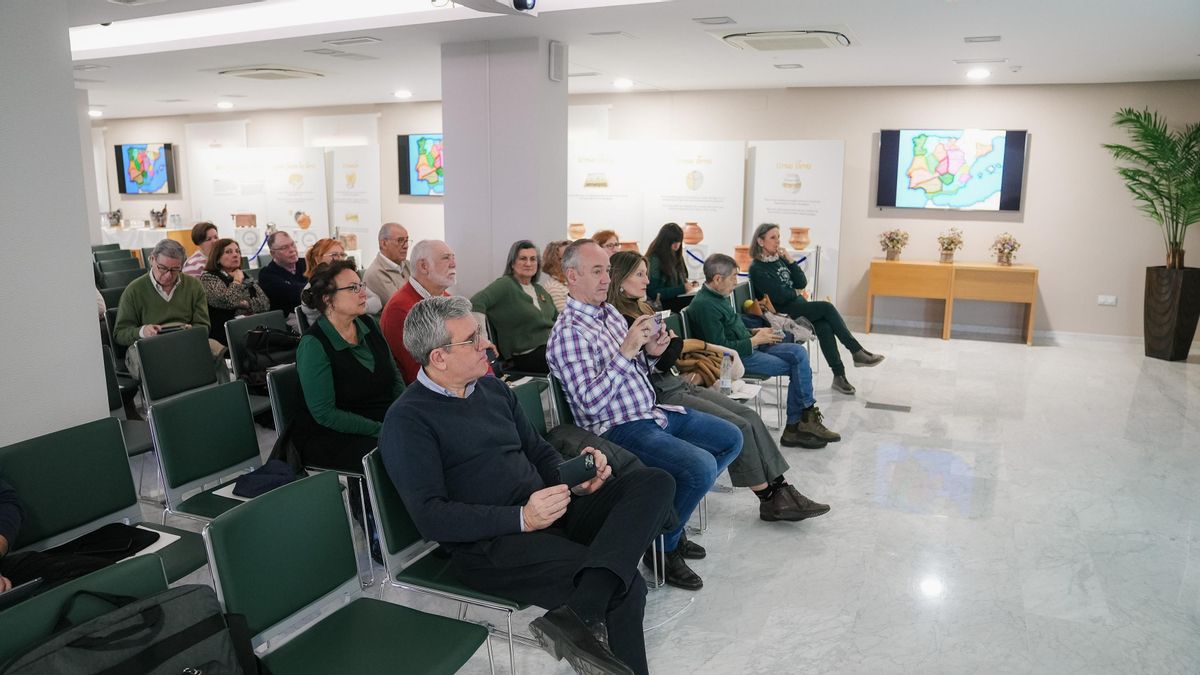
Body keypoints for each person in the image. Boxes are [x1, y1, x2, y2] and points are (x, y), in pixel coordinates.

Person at [382, 296, 673, 675]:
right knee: (624, 585)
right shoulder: (408, 420)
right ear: (439, 357)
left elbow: (538, 451)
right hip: (492, 545)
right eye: (472, 339)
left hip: (548, 508)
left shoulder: (493, 390)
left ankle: (580, 612)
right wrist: (522, 518)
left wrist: (576, 478)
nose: (486, 344)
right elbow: (431, 517)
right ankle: (584, 611)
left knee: (654, 482)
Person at [547, 239, 743, 591]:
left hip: (651, 412)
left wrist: (651, 353)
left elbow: (633, 370)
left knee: (731, 438)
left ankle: (668, 528)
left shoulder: (608, 314)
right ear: (572, 276)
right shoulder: (568, 333)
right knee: (700, 467)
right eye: (597, 271)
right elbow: (591, 405)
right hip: (617, 428)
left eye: (608, 270)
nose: (606, 279)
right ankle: (663, 548)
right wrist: (626, 352)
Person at [608, 251, 830, 522]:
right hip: (661, 392)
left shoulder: (643, 310)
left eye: (645, 273)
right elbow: (661, 358)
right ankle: (770, 497)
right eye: (639, 275)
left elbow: (668, 352)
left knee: (748, 415)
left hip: (675, 380)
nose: (647, 280)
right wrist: (669, 346)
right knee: (739, 425)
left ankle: (781, 488)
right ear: (620, 280)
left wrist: (669, 346)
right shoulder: (620, 320)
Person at [687, 253, 842, 449]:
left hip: (749, 347)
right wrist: (754, 340)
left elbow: (733, 327)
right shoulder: (705, 305)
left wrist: (756, 332)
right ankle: (798, 424)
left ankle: (801, 422)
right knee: (798, 365)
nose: (736, 282)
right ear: (718, 279)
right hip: (734, 360)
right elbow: (719, 347)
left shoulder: (718, 297)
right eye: (733, 277)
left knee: (799, 354)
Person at [292, 260, 404, 473]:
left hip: (380, 418)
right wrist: (381, 429)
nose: (363, 293)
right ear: (328, 299)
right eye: (353, 288)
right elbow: (325, 413)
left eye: (361, 285)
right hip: (334, 434)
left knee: (428, 432)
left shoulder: (369, 324)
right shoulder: (314, 344)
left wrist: (404, 412)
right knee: (403, 450)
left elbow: (394, 375)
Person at [748, 223, 884, 395]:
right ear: (760, 241)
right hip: (783, 314)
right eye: (773, 238)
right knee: (826, 308)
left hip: (798, 305)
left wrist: (790, 260)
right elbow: (780, 296)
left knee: (823, 326)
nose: (778, 241)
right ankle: (856, 351)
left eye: (779, 237)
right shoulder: (757, 268)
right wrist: (795, 292)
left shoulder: (779, 260)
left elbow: (801, 282)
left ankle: (839, 376)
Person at [113, 239, 220, 380]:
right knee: (161, 364)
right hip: (150, 345)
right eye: (162, 268)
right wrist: (142, 331)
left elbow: (203, 325)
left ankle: (218, 392)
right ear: (152, 260)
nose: (168, 275)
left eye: (175, 270)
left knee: (216, 353)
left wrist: (192, 331)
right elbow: (120, 334)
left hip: (185, 340)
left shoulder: (193, 285)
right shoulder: (134, 290)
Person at [470, 240, 558, 374]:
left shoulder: (540, 290)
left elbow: (558, 321)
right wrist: (483, 340)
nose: (528, 263)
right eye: (523, 258)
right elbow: (476, 303)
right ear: (512, 263)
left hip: (550, 349)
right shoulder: (506, 284)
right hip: (526, 356)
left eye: (533, 259)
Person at [380, 239, 457, 383]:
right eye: (446, 258)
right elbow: (419, 372)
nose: (453, 264)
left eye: (453, 258)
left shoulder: (447, 299)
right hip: (430, 389)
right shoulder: (400, 309)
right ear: (423, 266)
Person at [297, 239, 382, 327]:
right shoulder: (312, 289)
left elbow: (377, 302)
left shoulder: (348, 280)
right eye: (334, 255)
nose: (340, 259)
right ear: (317, 259)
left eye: (342, 255)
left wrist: (358, 306)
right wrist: (357, 306)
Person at [200, 238, 269, 345]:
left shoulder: (244, 275)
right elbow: (227, 301)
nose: (235, 255)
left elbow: (265, 304)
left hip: (251, 326)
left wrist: (246, 304)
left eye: (237, 251)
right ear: (217, 258)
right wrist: (237, 281)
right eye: (228, 252)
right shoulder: (209, 277)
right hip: (226, 332)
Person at [644, 223, 700, 312]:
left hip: (677, 300)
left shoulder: (677, 254)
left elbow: (683, 278)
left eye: (679, 241)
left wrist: (690, 285)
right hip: (664, 304)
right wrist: (681, 289)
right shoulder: (654, 259)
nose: (677, 245)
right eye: (673, 242)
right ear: (665, 241)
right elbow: (652, 292)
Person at [258, 231, 308, 328]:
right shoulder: (267, 274)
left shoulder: (307, 263)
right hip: (289, 320)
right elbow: (295, 295)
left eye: (293, 244)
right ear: (273, 253)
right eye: (284, 248)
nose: (292, 250)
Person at [363, 222, 410, 302]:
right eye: (400, 240)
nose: (406, 246)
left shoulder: (408, 264)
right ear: (384, 244)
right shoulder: (376, 273)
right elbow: (402, 304)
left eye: (406, 240)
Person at [540, 240, 571, 312]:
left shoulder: (571, 282)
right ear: (553, 262)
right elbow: (568, 317)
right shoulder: (554, 288)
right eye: (566, 258)